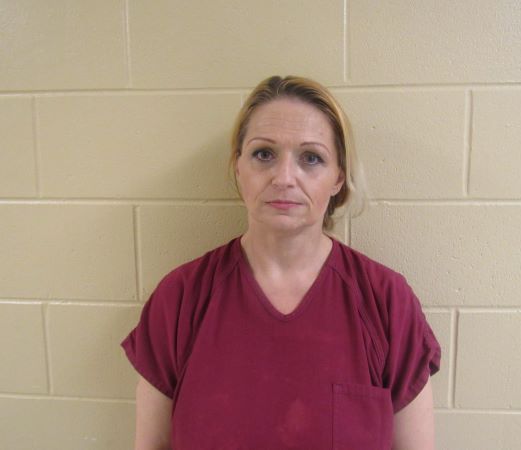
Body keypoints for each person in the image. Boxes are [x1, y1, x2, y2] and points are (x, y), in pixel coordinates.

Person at [122, 75, 441, 450]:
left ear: (338, 178)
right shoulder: (180, 299)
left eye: (311, 158)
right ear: (238, 166)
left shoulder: (386, 302)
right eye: (264, 154)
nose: (284, 177)